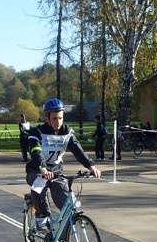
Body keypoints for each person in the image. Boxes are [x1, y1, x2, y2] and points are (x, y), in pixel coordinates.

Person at [25, 98, 101, 234]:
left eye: (60, 118)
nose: (58, 122)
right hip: (37, 170)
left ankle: (63, 238)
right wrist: (43, 168)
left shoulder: (67, 133)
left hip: (56, 171)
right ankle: (41, 218)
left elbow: (78, 151)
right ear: (46, 118)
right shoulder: (37, 132)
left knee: (67, 204)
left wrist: (91, 166)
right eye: (54, 118)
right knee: (39, 186)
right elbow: (36, 152)